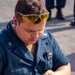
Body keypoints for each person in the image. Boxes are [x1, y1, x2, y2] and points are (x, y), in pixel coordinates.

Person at [0, 0, 71, 75]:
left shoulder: (47, 38)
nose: (36, 36)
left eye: (40, 30)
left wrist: (56, 74)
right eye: (29, 31)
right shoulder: (2, 44)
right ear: (15, 21)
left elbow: (65, 66)